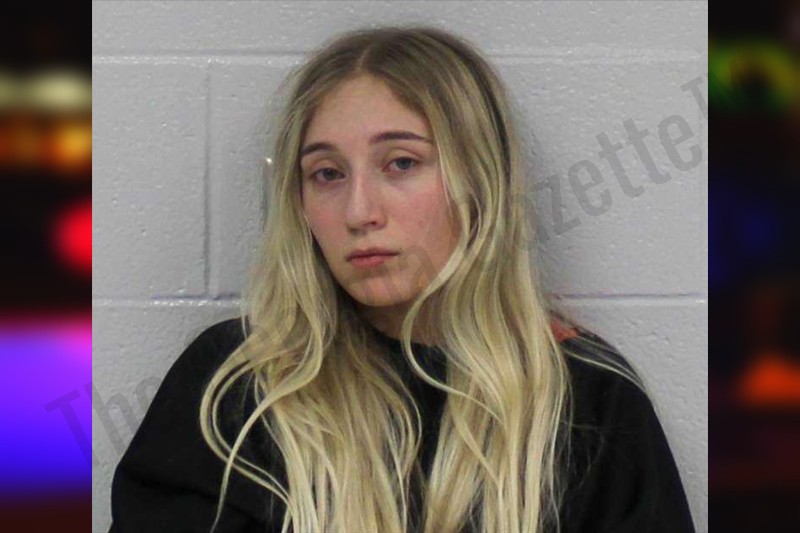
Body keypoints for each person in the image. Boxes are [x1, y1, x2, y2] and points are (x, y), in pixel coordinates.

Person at [108, 25, 695, 533]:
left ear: (480, 181)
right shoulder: (238, 386)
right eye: (327, 174)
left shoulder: (587, 399)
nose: (359, 211)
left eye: (402, 163)